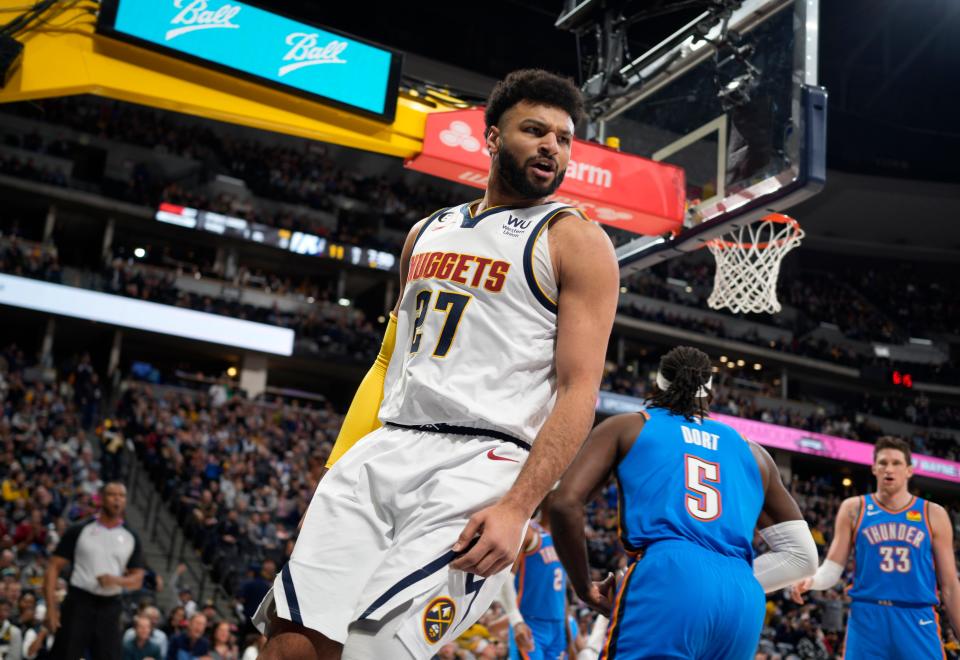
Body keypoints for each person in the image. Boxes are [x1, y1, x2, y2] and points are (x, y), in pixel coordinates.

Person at [254, 68, 621, 659]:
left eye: (563, 137)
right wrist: (338, 469)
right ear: (493, 136)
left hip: (482, 462)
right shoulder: (427, 231)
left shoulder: (574, 238)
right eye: (534, 130)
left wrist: (518, 506)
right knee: (290, 645)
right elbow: (385, 360)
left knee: (374, 650)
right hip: (385, 449)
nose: (552, 146)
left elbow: (580, 391)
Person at [550, 346, 818, 658]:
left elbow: (564, 503)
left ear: (656, 386)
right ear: (710, 394)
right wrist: (723, 580)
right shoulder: (755, 453)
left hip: (670, 574)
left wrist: (586, 589)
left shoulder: (631, 425)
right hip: (742, 597)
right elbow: (804, 557)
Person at [791, 436, 960, 659]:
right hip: (867, 618)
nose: (889, 469)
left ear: (909, 470)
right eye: (883, 463)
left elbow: (950, 586)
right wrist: (813, 580)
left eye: (896, 463)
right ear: (873, 468)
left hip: (916, 617)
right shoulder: (854, 508)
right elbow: (832, 568)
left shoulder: (933, 514)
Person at [43, 482, 145, 660]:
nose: (117, 500)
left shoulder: (131, 536)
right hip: (78, 602)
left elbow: (138, 579)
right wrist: (51, 608)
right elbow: (53, 567)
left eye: (121, 496)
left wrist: (116, 580)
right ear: (102, 499)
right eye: (112, 495)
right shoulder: (80, 529)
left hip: (110, 606)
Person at [499, 494, 570, 660]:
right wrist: (516, 621)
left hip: (558, 624)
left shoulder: (563, 539)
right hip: (531, 623)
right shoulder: (529, 532)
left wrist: (567, 631)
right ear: (550, 499)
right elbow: (504, 579)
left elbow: (561, 591)